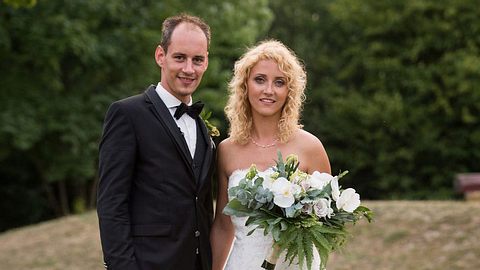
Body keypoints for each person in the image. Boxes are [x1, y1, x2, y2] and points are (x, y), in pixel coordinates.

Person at [97, 13, 215, 270]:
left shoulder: (202, 126)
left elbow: (203, 206)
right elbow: (111, 203)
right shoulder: (127, 114)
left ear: (206, 62)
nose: (188, 69)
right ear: (160, 55)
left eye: (198, 60)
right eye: (180, 57)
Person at [210, 40, 331, 270]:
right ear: (245, 86)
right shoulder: (226, 150)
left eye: (279, 82)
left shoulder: (311, 147)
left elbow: (326, 228)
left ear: (290, 91)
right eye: (259, 80)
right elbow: (224, 226)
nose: (269, 90)